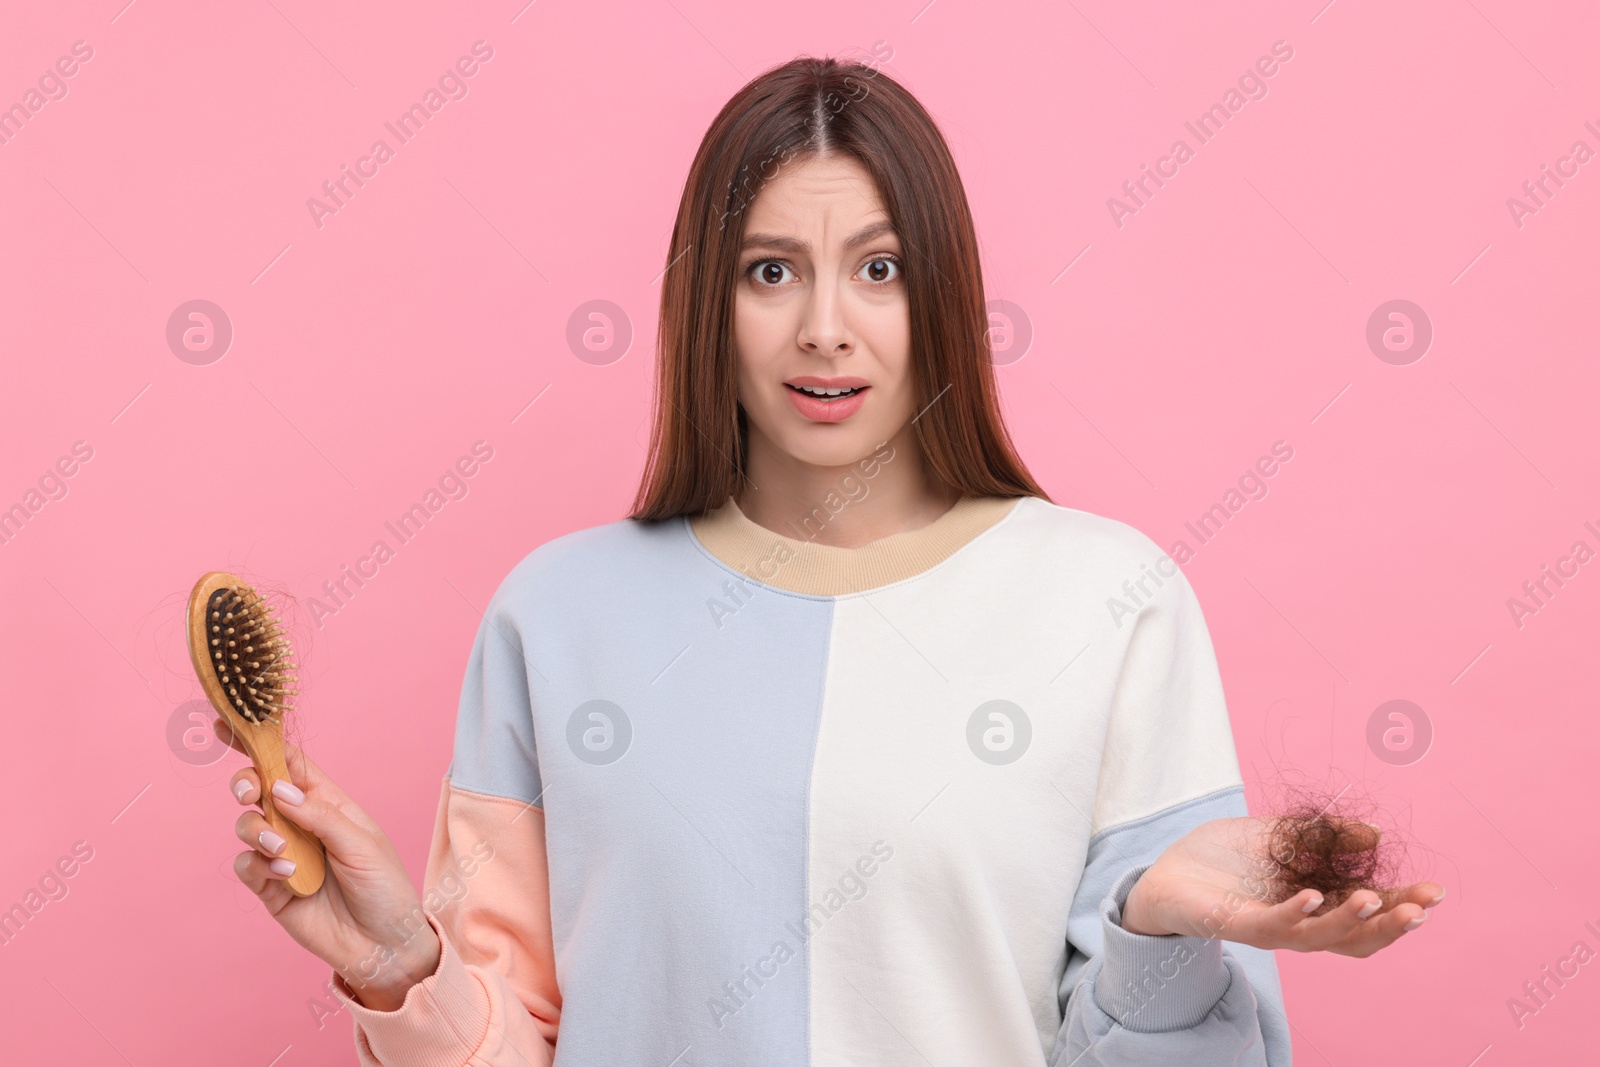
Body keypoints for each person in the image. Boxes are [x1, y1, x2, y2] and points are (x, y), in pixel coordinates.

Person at [218, 53, 1445, 1066]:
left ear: (942, 294)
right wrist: (397, 971)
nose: (824, 326)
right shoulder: (557, 614)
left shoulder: (1107, 600)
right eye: (770, 270)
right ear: (708, 300)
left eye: (878, 267)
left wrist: (1153, 929)